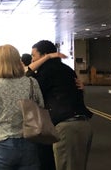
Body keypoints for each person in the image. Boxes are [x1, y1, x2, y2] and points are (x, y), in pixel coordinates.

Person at [30, 40, 93, 170]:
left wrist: (48, 57)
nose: (32, 60)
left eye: (33, 56)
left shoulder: (47, 72)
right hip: (79, 125)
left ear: (44, 55)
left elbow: (26, 76)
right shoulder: (67, 70)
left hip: (67, 127)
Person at [0, 44, 44, 170]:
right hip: (29, 144)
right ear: (18, 60)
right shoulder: (31, 82)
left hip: (1, 145)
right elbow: (41, 108)